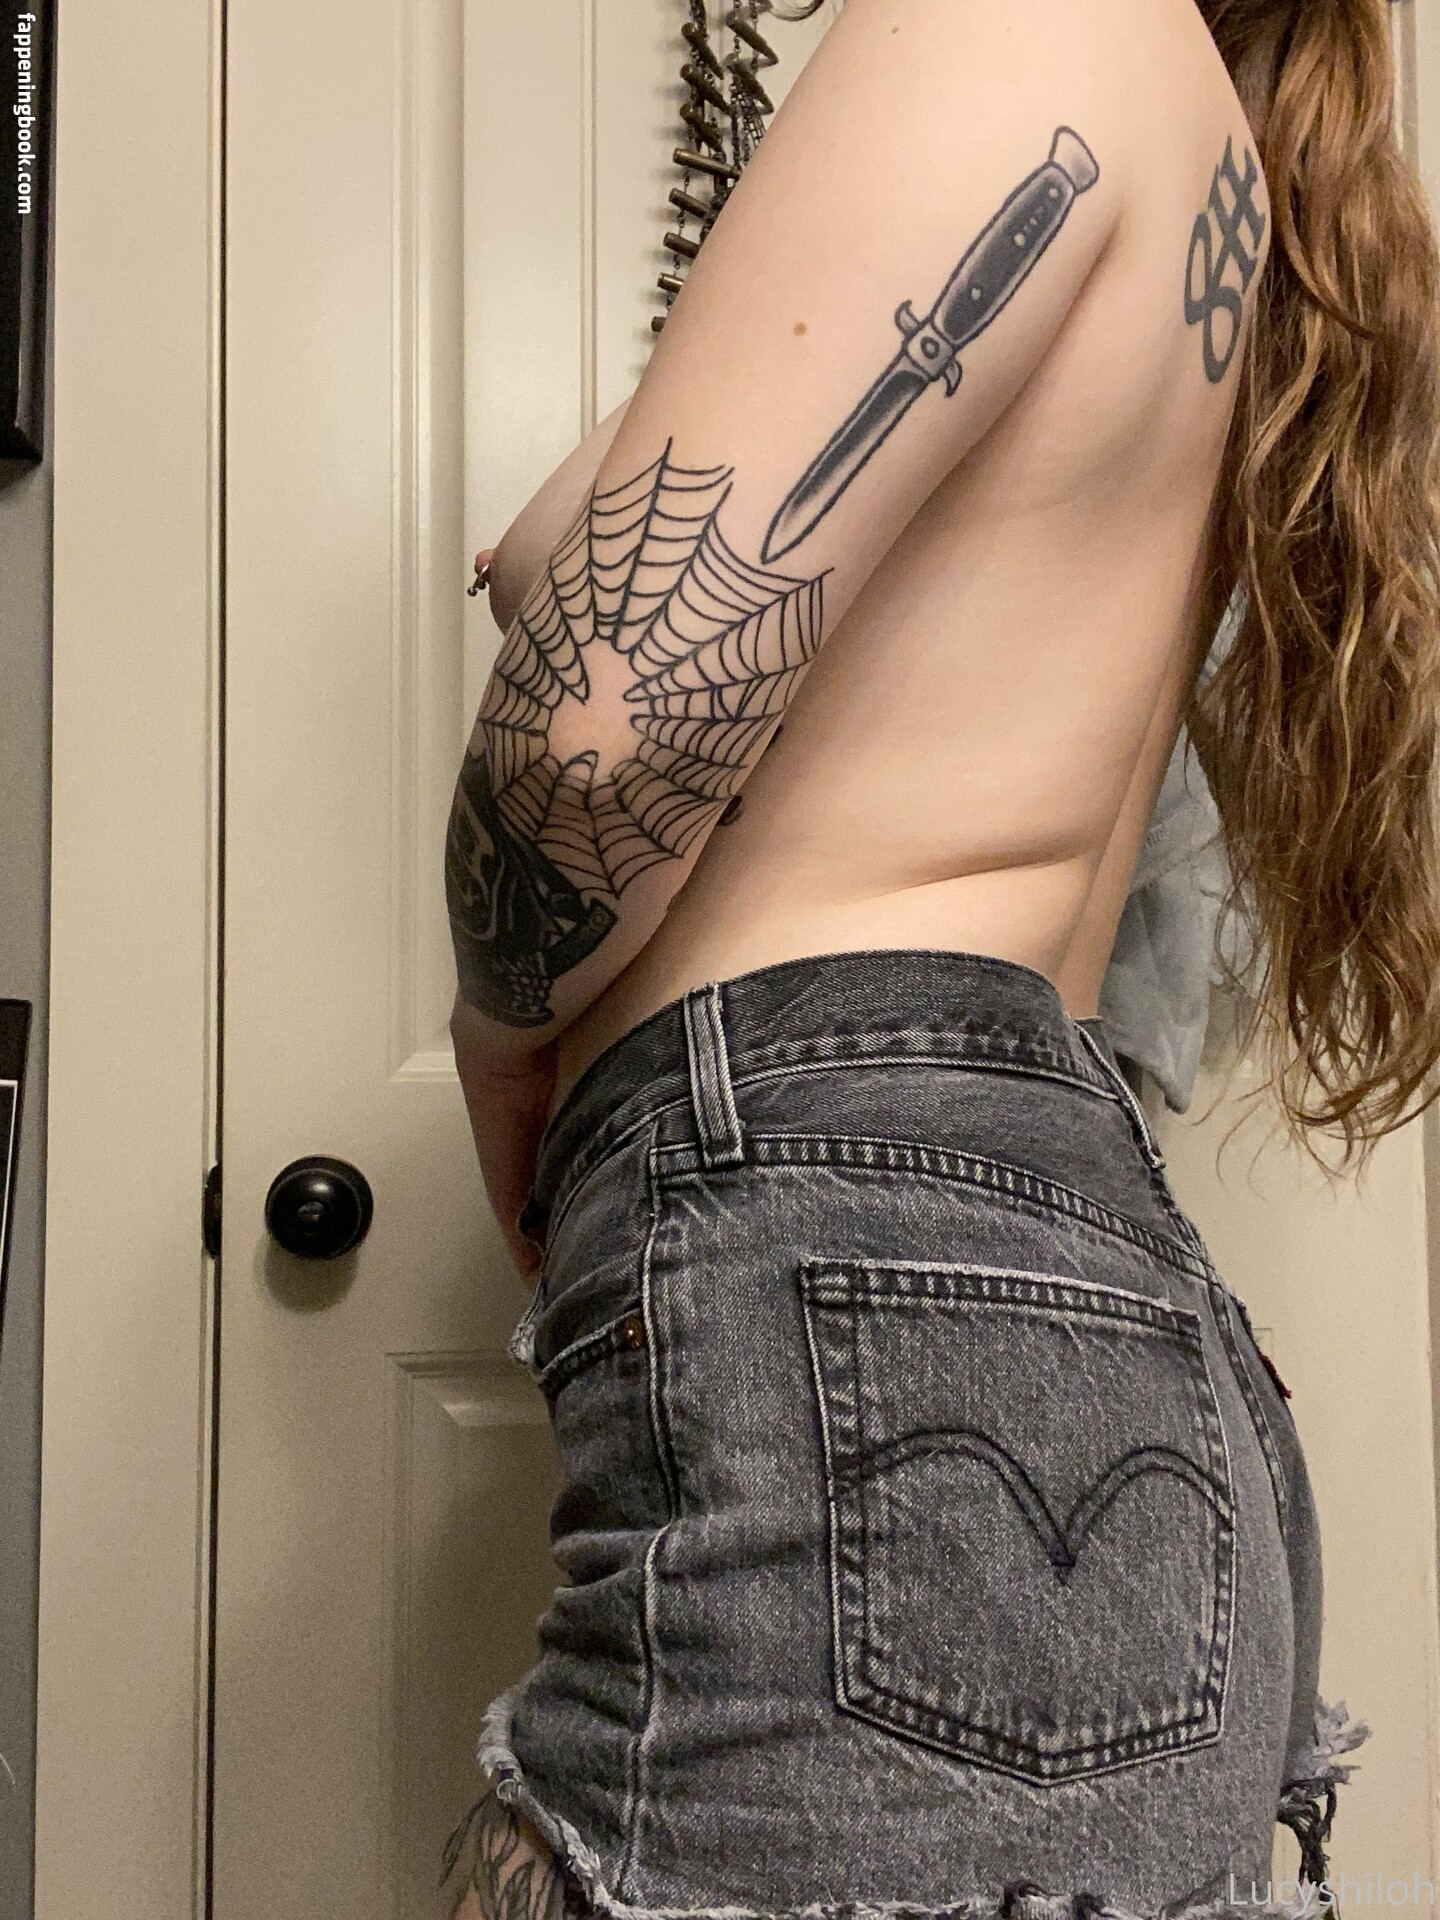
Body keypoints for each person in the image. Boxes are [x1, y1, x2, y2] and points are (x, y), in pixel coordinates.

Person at [440, 2, 1440, 1917]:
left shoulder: (1023, 21)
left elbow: (596, 742)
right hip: (1050, 1309)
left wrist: (502, 1035)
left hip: (879, 1308)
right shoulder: (1209, 170)